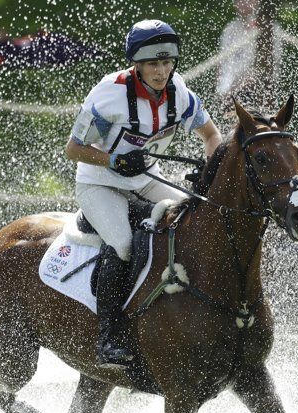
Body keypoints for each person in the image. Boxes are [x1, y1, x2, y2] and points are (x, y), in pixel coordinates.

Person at [65, 19, 222, 369]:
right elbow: (73, 149)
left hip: (146, 179)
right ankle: (107, 338)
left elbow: (212, 137)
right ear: (137, 64)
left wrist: (209, 171)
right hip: (99, 183)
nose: (161, 71)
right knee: (122, 244)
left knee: (197, 216)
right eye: (153, 64)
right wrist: (114, 159)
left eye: (167, 63)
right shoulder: (111, 96)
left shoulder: (178, 94)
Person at [215, 0, 282, 115]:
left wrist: (244, 82)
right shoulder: (230, 29)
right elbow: (223, 64)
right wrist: (222, 90)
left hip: (257, 89)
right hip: (231, 91)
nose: (241, 3)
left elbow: (272, 65)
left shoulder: (268, 28)